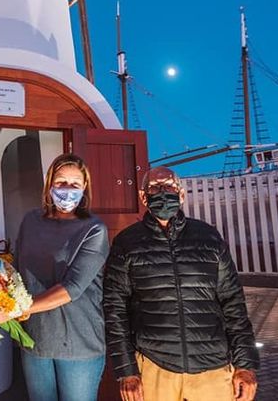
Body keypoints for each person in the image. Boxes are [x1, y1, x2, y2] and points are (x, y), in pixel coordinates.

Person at [103, 166, 260, 401]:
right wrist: (126, 371)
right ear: (143, 196)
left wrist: (245, 364)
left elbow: (233, 303)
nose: (163, 192)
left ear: (182, 194)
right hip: (154, 369)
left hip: (213, 370)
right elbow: (115, 310)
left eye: (170, 186)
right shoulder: (127, 243)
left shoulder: (209, 237)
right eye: (155, 188)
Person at [0, 153, 109, 401]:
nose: (67, 190)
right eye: (60, 182)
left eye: (75, 184)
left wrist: (16, 309)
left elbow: (72, 288)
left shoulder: (94, 229)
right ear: (49, 185)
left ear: (84, 189)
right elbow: (16, 271)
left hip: (79, 342)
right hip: (35, 339)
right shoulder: (30, 221)